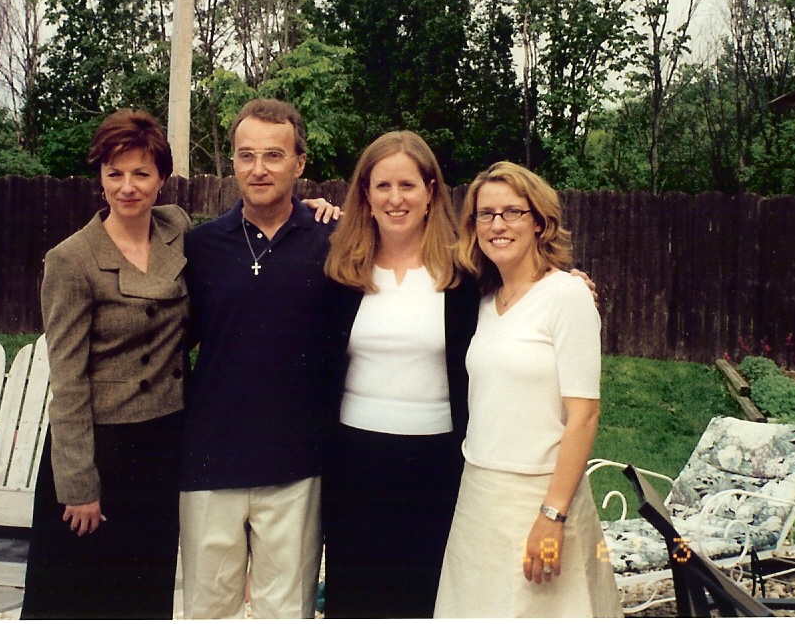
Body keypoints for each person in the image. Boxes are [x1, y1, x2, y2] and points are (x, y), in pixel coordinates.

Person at [21, 109, 190, 619]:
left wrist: (309, 207)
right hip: (101, 451)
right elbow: (67, 380)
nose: (128, 187)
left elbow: (240, 234)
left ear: (162, 177)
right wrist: (77, 484)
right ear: (100, 177)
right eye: (114, 173)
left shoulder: (176, 228)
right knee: (78, 596)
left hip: (162, 445)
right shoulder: (71, 260)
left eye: (141, 173)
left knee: (145, 592)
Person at [434, 161, 622, 618]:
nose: (497, 224)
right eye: (485, 214)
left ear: (539, 222)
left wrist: (552, 516)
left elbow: (584, 416)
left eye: (512, 212)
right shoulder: (479, 300)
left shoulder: (568, 296)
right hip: (479, 495)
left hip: (542, 497)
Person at [179, 98, 338, 619]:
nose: (259, 168)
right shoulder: (199, 246)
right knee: (208, 610)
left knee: (285, 611)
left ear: (300, 163)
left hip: (296, 465)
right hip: (210, 459)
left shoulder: (333, 242)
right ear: (232, 162)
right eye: (246, 155)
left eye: (274, 155)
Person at [321, 131, 479, 618]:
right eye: (382, 186)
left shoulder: (466, 273)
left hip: (436, 460)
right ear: (365, 195)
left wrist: (569, 280)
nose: (395, 198)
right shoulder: (340, 268)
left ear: (431, 191)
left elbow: (526, 281)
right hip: (354, 459)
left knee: (423, 593)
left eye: (407, 185)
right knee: (356, 594)